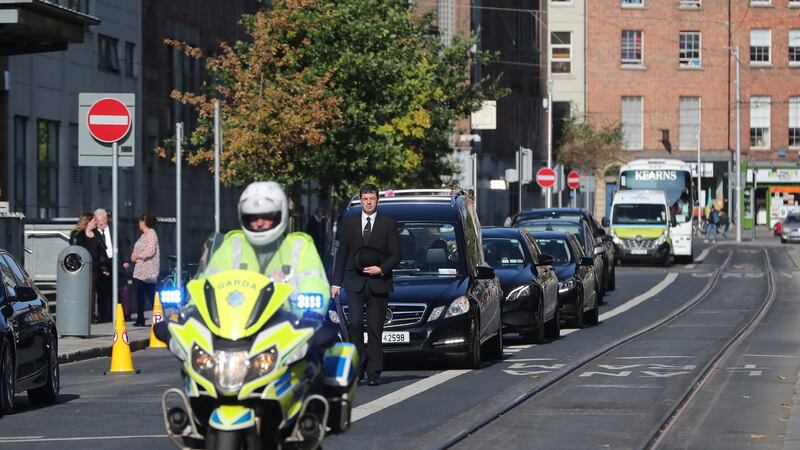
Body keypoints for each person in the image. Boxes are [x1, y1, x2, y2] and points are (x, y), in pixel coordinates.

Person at [203, 181, 330, 303]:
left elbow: (315, 286)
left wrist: (307, 310)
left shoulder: (300, 247)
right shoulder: (232, 244)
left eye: (267, 217)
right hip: (234, 321)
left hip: (288, 322)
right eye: (252, 217)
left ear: (280, 214)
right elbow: (207, 283)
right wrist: (194, 306)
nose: (259, 223)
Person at [332, 184, 401, 386]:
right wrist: (335, 283)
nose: (368, 202)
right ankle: (358, 367)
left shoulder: (388, 224)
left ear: (377, 200)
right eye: (365, 198)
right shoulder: (350, 223)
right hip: (354, 282)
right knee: (354, 324)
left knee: (374, 329)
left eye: (372, 198)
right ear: (361, 200)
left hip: (379, 283)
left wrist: (382, 269)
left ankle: (373, 372)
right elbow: (342, 253)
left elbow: (396, 254)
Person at [70, 213, 110, 323]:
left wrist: (105, 267)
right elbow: (74, 251)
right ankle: (87, 315)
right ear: (87, 222)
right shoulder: (77, 234)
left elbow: (102, 252)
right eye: (94, 221)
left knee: (96, 292)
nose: (96, 223)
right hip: (83, 268)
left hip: (96, 268)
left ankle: (97, 316)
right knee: (87, 292)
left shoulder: (97, 234)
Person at [123, 213, 160, 327]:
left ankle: (159, 317)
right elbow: (136, 249)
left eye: (140, 221)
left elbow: (150, 251)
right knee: (140, 295)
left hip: (148, 270)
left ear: (144, 222)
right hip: (140, 270)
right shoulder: (143, 235)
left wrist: (138, 256)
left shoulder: (151, 234)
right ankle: (140, 318)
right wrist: (130, 261)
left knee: (150, 295)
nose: (139, 224)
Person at [93, 208, 114, 323]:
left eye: (103, 221)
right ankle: (103, 316)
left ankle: (113, 314)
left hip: (113, 263)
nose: (101, 224)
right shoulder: (95, 232)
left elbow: (123, 243)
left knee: (113, 291)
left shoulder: (114, 228)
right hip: (101, 265)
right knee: (101, 293)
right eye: (99, 222)